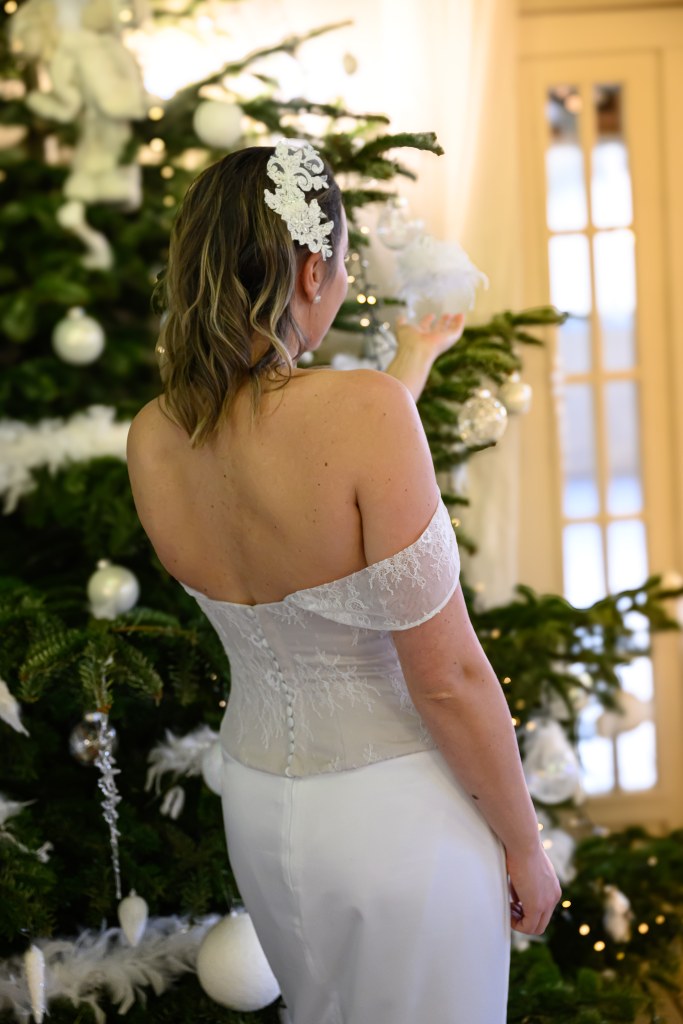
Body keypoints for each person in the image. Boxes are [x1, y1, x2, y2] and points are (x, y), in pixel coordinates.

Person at [127, 141, 562, 1024]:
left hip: (262, 807)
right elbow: (448, 678)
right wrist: (526, 846)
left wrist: (414, 360)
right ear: (314, 266)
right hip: (396, 819)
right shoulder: (363, 413)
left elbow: (298, 488)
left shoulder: (154, 438)